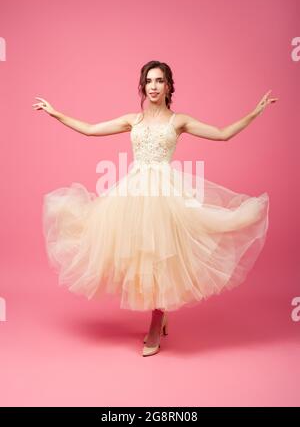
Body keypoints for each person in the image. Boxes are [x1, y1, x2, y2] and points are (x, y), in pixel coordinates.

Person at [33, 60, 278, 357]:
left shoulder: (178, 121)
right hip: (134, 192)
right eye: (149, 81)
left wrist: (255, 111)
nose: (153, 86)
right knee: (139, 254)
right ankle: (159, 314)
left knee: (160, 255)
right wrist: (55, 112)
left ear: (168, 86)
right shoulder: (132, 121)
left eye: (159, 81)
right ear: (142, 86)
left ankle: (155, 321)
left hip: (165, 194)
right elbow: (90, 130)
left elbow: (223, 133)